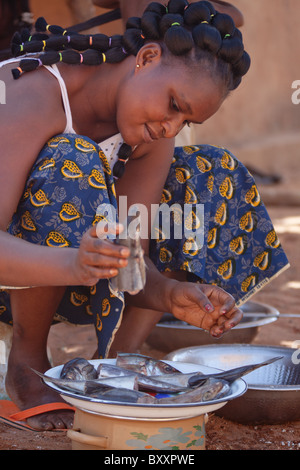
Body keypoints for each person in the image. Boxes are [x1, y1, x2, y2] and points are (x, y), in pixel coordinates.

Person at [0, 0, 288, 431]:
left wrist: (170, 294)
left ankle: (115, 362)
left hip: (69, 273)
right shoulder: (30, 91)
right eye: (173, 104)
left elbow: (129, 257)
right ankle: (26, 358)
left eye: (187, 118)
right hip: (17, 271)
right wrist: (72, 264)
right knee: (69, 157)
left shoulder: (153, 135)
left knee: (207, 171)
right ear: (147, 57)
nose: (171, 127)